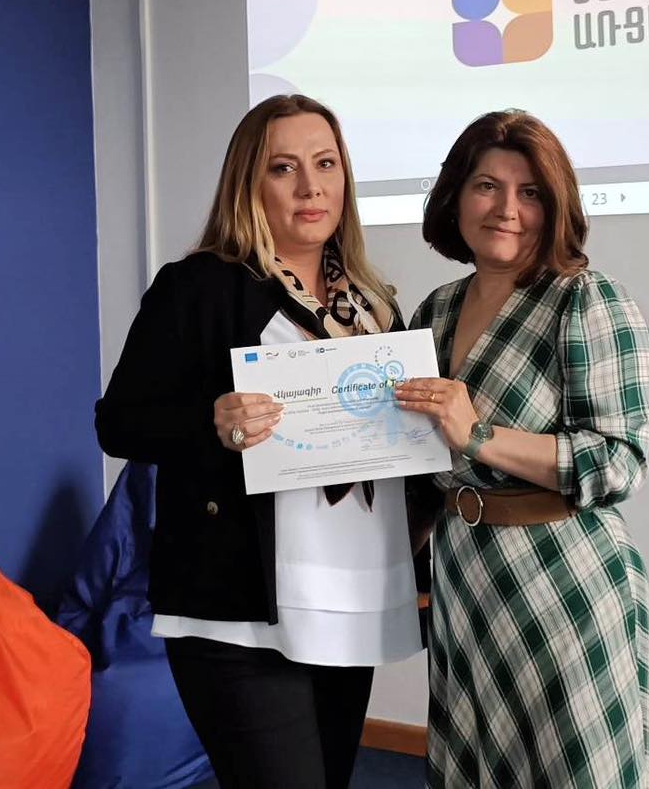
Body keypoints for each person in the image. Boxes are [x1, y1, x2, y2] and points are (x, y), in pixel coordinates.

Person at [95, 94, 421, 789]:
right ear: (250, 182)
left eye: (325, 164)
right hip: (238, 611)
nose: (310, 187)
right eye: (284, 168)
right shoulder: (198, 287)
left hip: (352, 596)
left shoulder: (374, 302)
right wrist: (211, 421)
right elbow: (117, 422)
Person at [395, 109, 649, 789]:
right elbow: (418, 462)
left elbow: (619, 462)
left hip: (563, 580)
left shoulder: (588, 300)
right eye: (486, 186)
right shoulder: (435, 310)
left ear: (556, 204)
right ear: (456, 197)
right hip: (465, 577)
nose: (506, 209)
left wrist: (479, 434)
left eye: (530, 192)